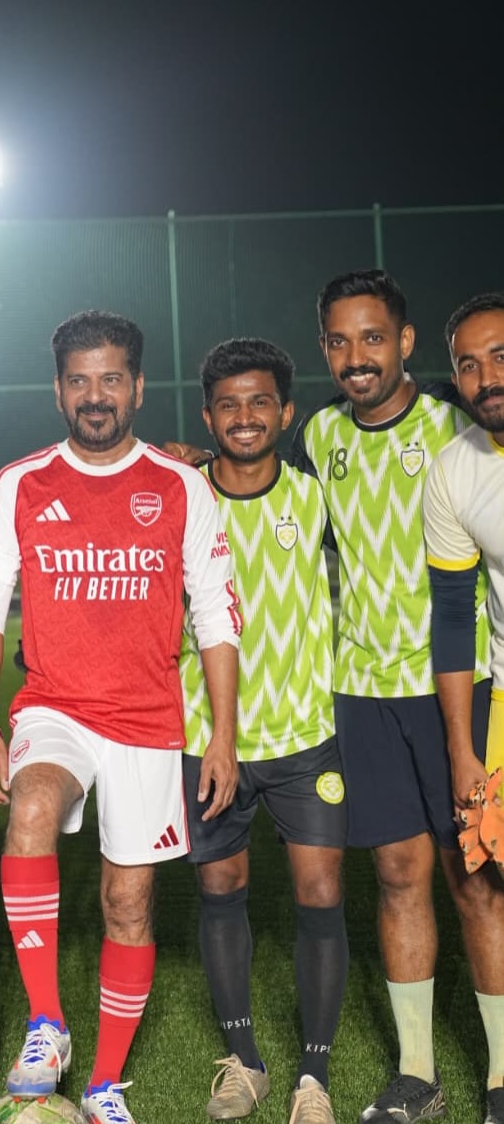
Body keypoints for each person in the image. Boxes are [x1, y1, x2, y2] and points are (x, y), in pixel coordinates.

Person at [0, 310, 241, 1124]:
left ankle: (103, 1084)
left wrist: (221, 737)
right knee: (30, 809)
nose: (95, 395)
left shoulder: (180, 485)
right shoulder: (19, 483)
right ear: (57, 391)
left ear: (138, 387)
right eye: (79, 380)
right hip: (54, 703)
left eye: (110, 378)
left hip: (148, 721)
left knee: (128, 901)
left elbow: (216, 617)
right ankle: (47, 1024)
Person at [293, 269, 504, 1124]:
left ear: (405, 343)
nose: (356, 357)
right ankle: (417, 1073)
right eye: (339, 341)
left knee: (475, 878)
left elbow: (458, 594)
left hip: (457, 684)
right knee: (394, 873)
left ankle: (500, 1076)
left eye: (372, 337)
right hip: (361, 690)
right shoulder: (316, 435)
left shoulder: (456, 425)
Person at [176, 338, 346, 1124]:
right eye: (227, 404)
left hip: (304, 732)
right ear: (206, 416)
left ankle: (313, 1076)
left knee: (321, 890)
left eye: (259, 402)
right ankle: (245, 1063)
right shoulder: (181, 496)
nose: (243, 417)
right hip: (206, 736)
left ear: (285, 411)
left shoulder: (315, 497)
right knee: (220, 889)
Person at [422, 291, 504, 1124]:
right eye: (469, 365)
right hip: (502, 696)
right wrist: (461, 747)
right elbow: (452, 616)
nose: (487, 377)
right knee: (489, 880)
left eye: (500, 355)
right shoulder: (455, 468)